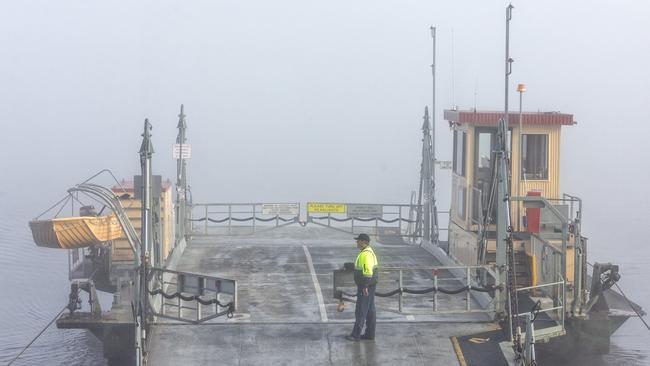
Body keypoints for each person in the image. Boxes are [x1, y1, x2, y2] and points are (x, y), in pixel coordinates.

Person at [345, 233, 378, 341]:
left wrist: (365, 286)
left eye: (358, 240)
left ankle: (356, 335)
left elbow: (368, 271)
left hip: (366, 285)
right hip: (370, 285)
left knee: (361, 310)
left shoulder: (366, 254)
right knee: (370, 310)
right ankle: (370, 334)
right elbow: (364, 267)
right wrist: (352, 266)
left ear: (364, 242)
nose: (357, 242)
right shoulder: (367, 252)